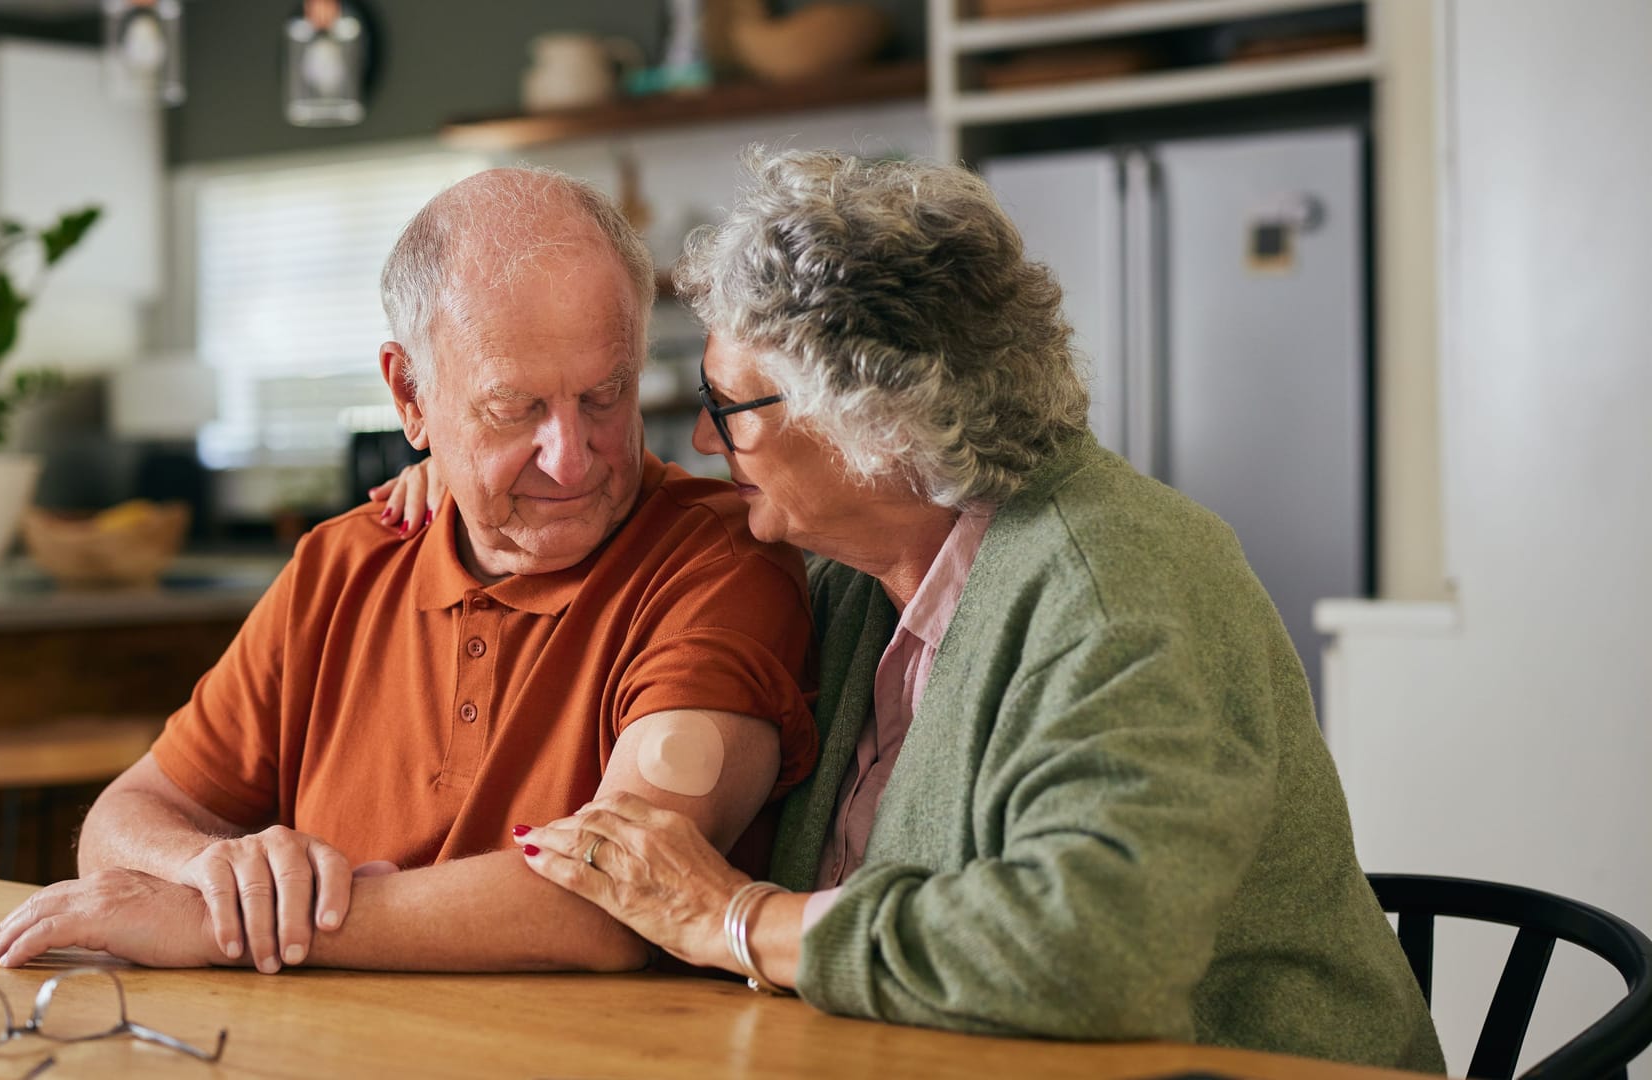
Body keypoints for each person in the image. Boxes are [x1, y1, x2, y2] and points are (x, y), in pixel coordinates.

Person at [380, 149, 1445, 1071]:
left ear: (872, 418)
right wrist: (461, 472)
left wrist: (744, 920)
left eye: (728, 410)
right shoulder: (855, 575)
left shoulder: (1123, 584)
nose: (704, 445)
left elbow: (1092, 959)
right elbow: (640, 534)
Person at [0, 167, 818, 976]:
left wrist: (231, 926)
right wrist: (219, 872)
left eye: (605, 395)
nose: (572, 460)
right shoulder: (342, 564)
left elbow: (620, 899)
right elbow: (126, 821)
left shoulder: (723, 560)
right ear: (409, 396)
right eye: (514, 407)